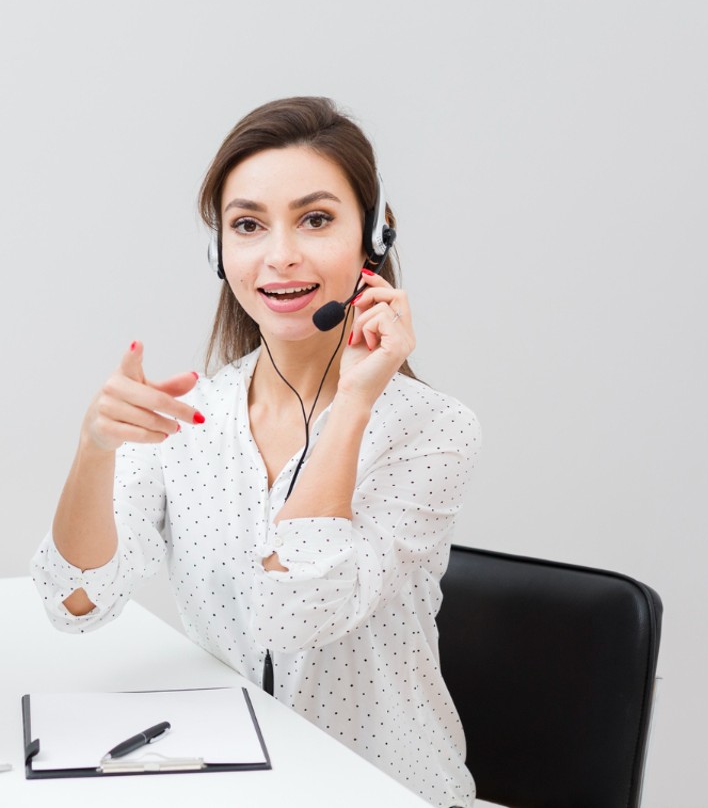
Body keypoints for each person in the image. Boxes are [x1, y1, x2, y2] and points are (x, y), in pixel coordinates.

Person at [32, 96, 480, 807]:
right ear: (219, 252)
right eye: (247, 225)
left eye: (316, 219)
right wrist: (95, 450)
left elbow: (296, 611)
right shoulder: (190, 416)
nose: (280, 256)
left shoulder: (431, 429)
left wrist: (356, 401)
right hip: (235, 783)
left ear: (374, 238)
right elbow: (74, 601)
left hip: (384, 788)